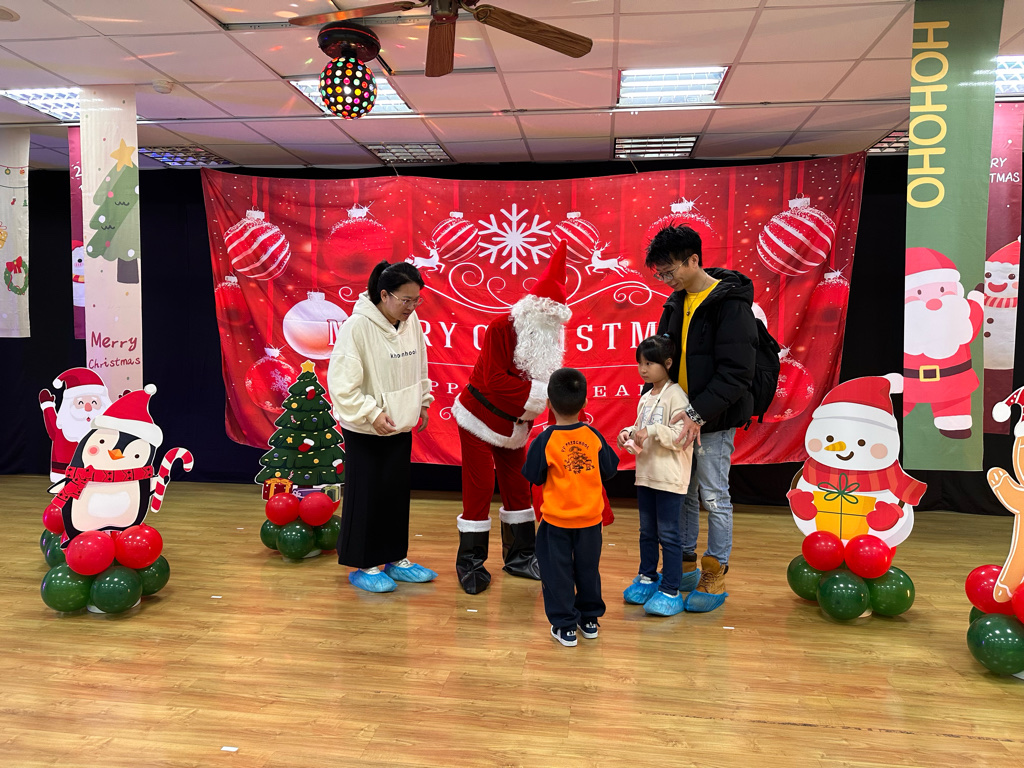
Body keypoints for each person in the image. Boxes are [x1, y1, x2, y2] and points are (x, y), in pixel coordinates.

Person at [645, 225, 757, 613]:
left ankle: (716, 571)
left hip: (714, 421)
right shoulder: (674, 303)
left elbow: (737, 373)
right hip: (679, 421)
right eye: (660, 274)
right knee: (683, 493)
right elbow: (661, 364)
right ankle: (686, 567)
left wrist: (697, 413)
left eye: (670, 270)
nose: (666, 279)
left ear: (694, 260)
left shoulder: (731, 304)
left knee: (713, 496)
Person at [452, 242, 571, 594]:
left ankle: (520, 556)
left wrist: (558, 421)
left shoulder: (549, 338)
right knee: (479, 488)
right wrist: (542, 395)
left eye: (555, 316)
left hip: (515, 425)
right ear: (531, 306)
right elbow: (493, 380)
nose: (549, 320)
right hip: (478, 416)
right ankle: (471, 563)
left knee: (519, 486)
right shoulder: (501, 328)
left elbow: (549, 381)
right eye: (545, 312)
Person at [327, 261, 436, 593]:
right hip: (366, 429)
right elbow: (341, 385)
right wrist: (371, 413)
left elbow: (419, 364)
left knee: (394, 495)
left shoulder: (410, 322)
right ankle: (365, 564)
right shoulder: (357, 327)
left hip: (400, 424)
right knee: (367, 495)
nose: (412, 307)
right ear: (384, 295)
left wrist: (423, 400)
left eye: (416, 300)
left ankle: (395, 558)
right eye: (406, 300)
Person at [522, 368, 618, 647]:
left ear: (548, 404)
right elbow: (610, 470)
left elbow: (533, 475)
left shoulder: (544, 440)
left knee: (557, 573)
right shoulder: (593, 436)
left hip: (556, 523)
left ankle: (565, 627)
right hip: (590, 522)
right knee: (588, 570)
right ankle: (589, 620)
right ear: (585, 402)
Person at [617, 335, 693, 617]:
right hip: (646, 475)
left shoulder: (677, 395)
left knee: (669, 535)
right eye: (640, 363)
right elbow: (640, 426)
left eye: (649, 363)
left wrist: (651, 431)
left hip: (669, 478)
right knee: (647, 532)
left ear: (668, 363)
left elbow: (681, 436)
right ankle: (648, 578)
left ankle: (671, 589)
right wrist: (627, 433)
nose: (643, 369)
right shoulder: (645, 397)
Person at [39, 368, 112, 482]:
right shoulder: (64, 427)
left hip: (99, 474)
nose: (88, 408)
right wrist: (48, 407)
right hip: (65, 472)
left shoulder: (107, 429)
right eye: (80, 403)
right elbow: (53, 430)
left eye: (94, 402)